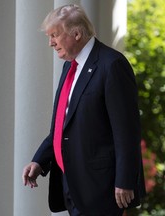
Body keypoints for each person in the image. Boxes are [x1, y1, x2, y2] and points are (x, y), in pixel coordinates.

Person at [22, 4, 146, 216]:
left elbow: (127, 131)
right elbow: (63, 124)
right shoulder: (69, 66)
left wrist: (125, 181)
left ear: (77, 34)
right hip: (71, 182)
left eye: (55, 35)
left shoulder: (112, 65)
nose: (50, 43)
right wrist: (40, 160)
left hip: (101, 188)